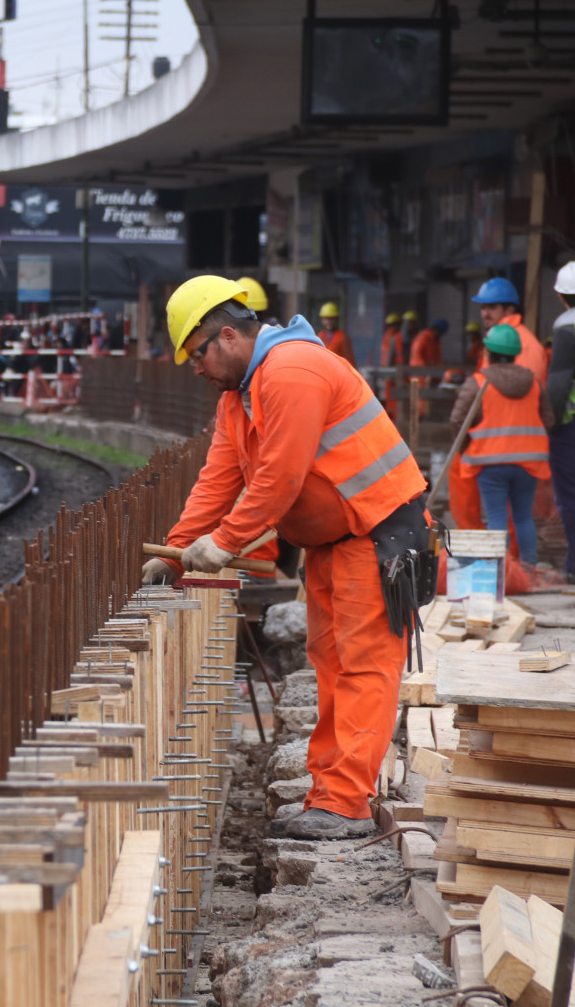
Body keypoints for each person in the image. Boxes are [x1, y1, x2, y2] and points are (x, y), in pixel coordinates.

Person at [141, 276, 429, 841]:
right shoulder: (238, 398)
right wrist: (176, 554)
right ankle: (328, 792)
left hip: (377, 536)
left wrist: (224, 544)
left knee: (363, 666)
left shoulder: (292, 371)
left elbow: (280, 476)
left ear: (226, 336)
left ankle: (345, 804)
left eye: (196, 354)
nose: (194, 369)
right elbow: (216, 483)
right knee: (330, 665)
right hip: (332, 542)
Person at [449, 324, 553, 569]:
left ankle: (499, 573)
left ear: (488, 352)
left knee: (496, 517)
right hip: (527, 463)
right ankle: (528, 570)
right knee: (523, 517)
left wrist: (466, 449)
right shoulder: (534, 382)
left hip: (489, 463)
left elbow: (457, 421)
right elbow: (548, 420)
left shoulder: (478, 382)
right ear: (516, 353)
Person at [546, 260, 575, 584]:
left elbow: (558, 386)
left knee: (573, 497)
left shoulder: (567, 331)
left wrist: (551, 422)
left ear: (561, 296)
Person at [475, 277, 547, 381]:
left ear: (509, 310)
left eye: (492, 307)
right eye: (483, 307)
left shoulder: (525, 343)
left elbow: (528, 388)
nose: (485, 314)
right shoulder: (496, 336)